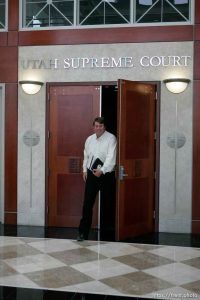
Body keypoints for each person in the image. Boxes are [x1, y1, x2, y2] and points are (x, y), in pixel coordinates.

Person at [77, 117, 117, 241]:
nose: (98, 128)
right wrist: (84, 170)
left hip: (106, 175)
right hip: (91, 175)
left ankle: (107, 234)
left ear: (104, 127)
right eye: (96, 126)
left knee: (107, 203)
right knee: (87, 204)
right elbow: (86, 156)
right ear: (93, 127)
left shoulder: (111, 138)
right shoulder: (89, 139)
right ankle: (83, 233)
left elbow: (111, 157)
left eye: (100, 126)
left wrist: (102, 170)